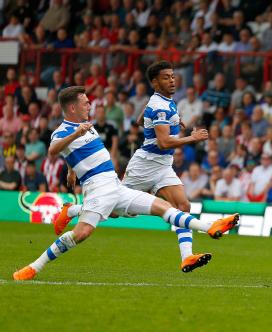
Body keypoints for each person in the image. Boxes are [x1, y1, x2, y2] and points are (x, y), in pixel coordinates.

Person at [14, 86, 239, 281]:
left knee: (165, 208)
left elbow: (74, 152)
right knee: (81, 234)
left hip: (114, 185)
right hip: (98, 189)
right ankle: (34, 267)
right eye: (85, 102)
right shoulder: (62, 131)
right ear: (72, 107)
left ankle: (210, 227)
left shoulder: (86, 125)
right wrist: (75, 137)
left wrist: (72, 168)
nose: (89, 104)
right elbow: (54, 150)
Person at [56, 62, 220, 274]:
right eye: (166, 77)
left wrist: (171, 121)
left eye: (172, 76)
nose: (172, 80)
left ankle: (187, 257)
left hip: (162, 165)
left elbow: (140, 121)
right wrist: (192, 137)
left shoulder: (165, 102)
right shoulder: (159, 104)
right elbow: (163, 142)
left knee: (183, 205)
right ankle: (72, 210)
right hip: (145, 165)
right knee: (113, 210)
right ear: (154, 82)